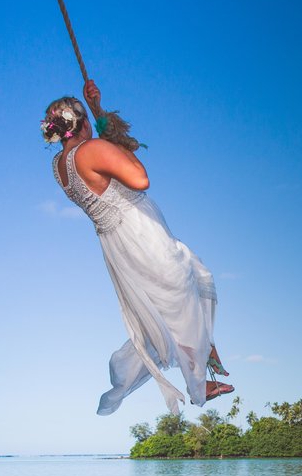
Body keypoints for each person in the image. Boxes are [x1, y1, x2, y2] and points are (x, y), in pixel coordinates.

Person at [42, 80, 232, 415]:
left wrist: (99, 110)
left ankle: (205, 354)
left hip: (116, 244)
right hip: (139, 232)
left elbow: (105, 153)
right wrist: (106, 131)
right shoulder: (90, 151)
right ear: (81, 122)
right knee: (183, 287)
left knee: (176, 294)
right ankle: (199, 377)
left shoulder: (60, 166)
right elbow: (140, 179)